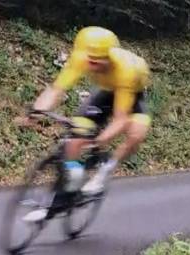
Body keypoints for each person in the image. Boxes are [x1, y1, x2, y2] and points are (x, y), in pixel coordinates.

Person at [19, 26, 151, 220]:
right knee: (77, 136)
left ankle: (104, 172)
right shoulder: (81, 58)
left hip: (131, 92)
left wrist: (99, 140)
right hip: (105, 91)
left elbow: (120, 119)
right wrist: (35, 114)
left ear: (109, 57)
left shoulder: (126, 70)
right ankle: (66, 194)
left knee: (136, 135)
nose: (92, 65)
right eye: (89, 60)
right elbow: (56, 90)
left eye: (97, 61)